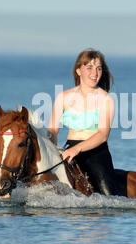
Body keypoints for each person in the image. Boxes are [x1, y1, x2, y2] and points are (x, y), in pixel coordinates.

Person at [47, 48, 123, 196]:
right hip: (68, 150)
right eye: (89, 68)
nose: (95, 73)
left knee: (109, 196)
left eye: (98, 68)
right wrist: (50, 148)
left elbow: (102, 135)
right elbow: (52, 131)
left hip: (96, 153)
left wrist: (77, 149)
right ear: (78, 71)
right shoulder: (63, 97)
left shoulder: (106, 99)